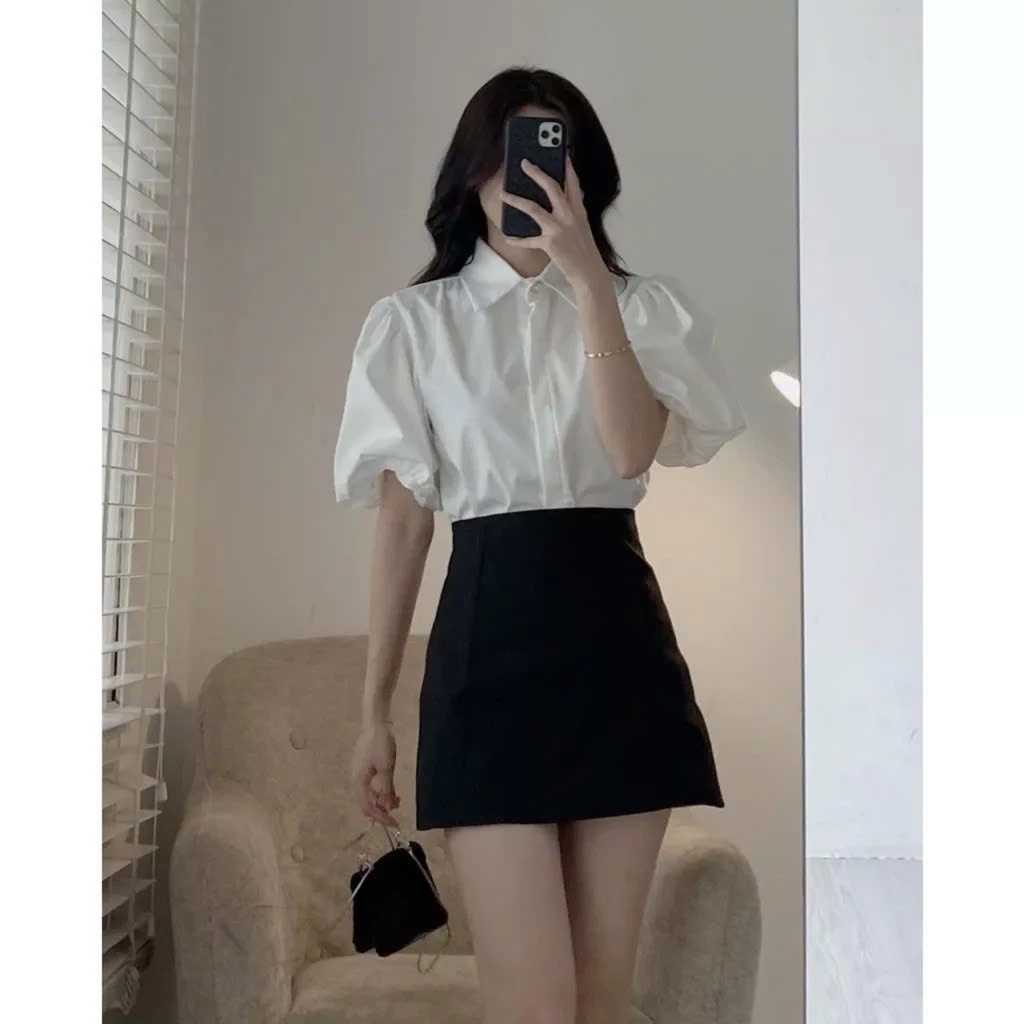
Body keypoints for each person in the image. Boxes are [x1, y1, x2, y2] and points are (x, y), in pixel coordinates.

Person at [333, 66, 746, 1024]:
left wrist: (589, 281)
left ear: (583, 178)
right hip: (486, 657)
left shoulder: (639, 308)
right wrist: (373, 711)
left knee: (600, 1001)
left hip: (619, 650)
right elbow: (403, 525)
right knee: (532, 1002)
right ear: (472, 177)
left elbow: (631, 449)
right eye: (505, 161)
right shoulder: (414, 326)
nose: (526, 184)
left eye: (550, 161)